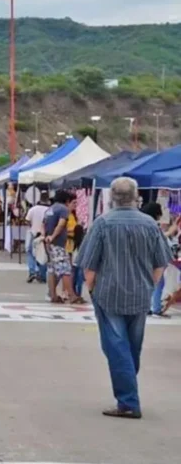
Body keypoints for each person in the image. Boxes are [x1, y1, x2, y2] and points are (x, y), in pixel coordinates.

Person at [76, 177, 172, 419]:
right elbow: (161, 262)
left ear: (111, 197)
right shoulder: (150, 224)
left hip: (109, 293)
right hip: (140, 294)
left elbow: (88, 264)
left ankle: (128, 401)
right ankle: (128, 388)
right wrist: (150, 285)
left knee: (116, 346)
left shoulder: (103, 223)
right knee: (132, 346)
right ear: (136, 196)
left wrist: (92, 289)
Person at [140, 202, 177, 316]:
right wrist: (171, 230)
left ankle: (147, 307)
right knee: (158, 282)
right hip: (155, 258)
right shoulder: (152, 225)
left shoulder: (141, 223)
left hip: (143, 257)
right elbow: (161, 237)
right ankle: (155, 307)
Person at [43, 192, 78, 304]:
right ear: (67, 200)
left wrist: (45, 237)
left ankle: (53, 295)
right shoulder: (63, 209)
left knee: (52, 270)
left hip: (49, 244)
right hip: (58, 243)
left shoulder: (49, 209)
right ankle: (72, 295)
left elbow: (43, 224)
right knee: (65, 270)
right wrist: (53, 236)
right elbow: (61, 224)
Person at [24, 192, 50, 283]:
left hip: (33, 233)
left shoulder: (33, 209)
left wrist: (32, 226)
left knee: (30, 252)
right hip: (44, 235)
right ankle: (41, 274)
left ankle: (32, 271)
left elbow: (27, 220)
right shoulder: (49, 210)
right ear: (47, 199)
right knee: (42, 254)